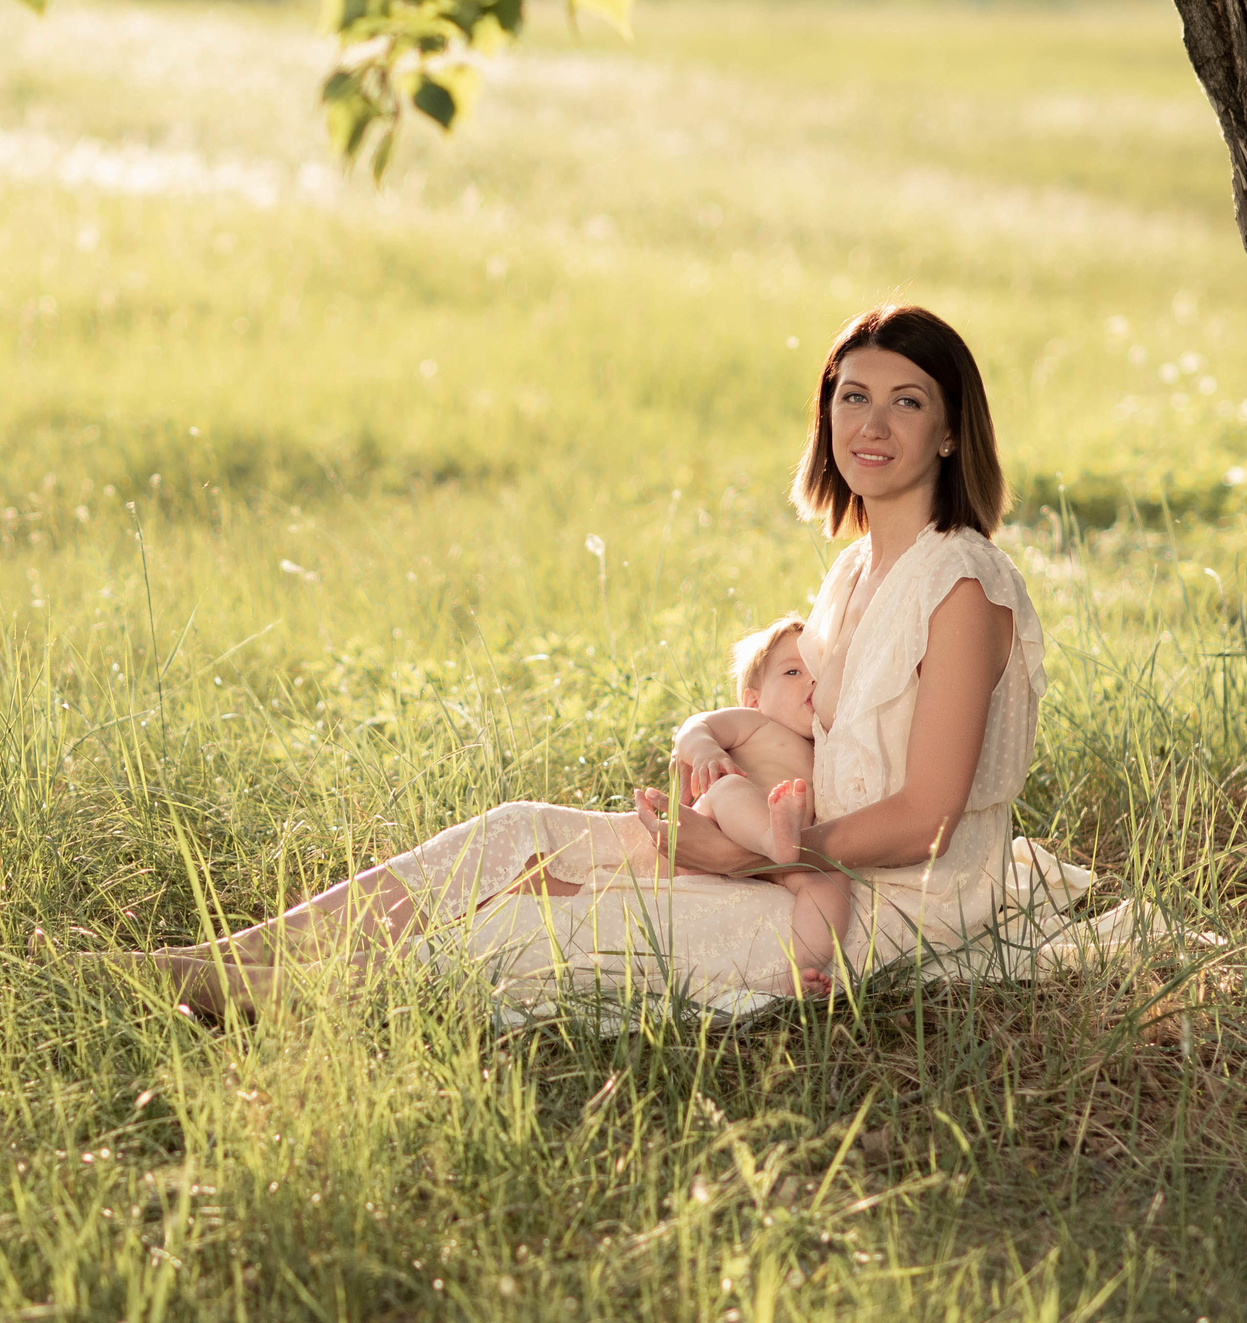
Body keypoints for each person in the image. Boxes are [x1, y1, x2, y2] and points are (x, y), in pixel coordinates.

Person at [121, 303, 1064, 1016]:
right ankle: (215, 961)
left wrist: (749, 858)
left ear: (949, 430)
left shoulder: (963, 586)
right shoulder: (856, 571)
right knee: (518, 831)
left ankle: (265, 1001)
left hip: (889, 908)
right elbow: (808, 753)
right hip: (789, 859)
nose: (873, 423)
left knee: (542, 925)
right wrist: (725, 800)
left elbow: (929, 819)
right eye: (852, 396)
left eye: (908, 402)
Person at [671, 616, 857, 981]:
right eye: (792, 672)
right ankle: (773, 837)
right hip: (718, 827)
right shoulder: (754, 723)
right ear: (753, 699)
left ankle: (802, 969)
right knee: (729, 786)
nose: (812, 681)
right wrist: (707, 750)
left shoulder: (829, 746)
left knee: (831, 880)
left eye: (820, 671)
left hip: (775, 862)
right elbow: (694, 727)